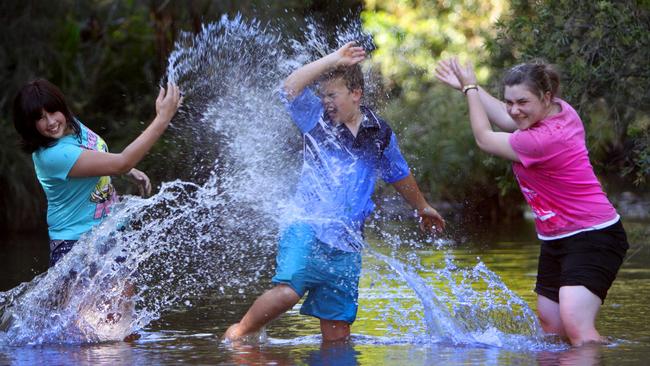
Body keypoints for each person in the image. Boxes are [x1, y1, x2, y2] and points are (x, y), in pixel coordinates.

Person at [224, 42, 445, 343]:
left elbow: (398, 172)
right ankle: (237, 336)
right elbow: (289, 88)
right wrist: (332, 59)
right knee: (288, 292)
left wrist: (422, 206)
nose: (326, 101)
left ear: (356, 94)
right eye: (323, 95)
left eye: (332, 94)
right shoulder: (315, 119)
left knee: (337, 329)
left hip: (347, 242)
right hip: (306, 226)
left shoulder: (379, 131)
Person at [435, 58, 628, 346]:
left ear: (546, 97)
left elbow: (485, 139)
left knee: (577, 326)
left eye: (522, 101)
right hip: (557, 237)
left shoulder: (543, 140)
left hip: (593, 235)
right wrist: (468, 86)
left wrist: (472, 89)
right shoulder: (562, 111)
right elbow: (508, 116)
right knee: (552, 327)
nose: (515, 110)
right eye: (509, 101)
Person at [13, 79, 181, 268]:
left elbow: (94, 154)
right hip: (77, 245)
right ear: (29, 124)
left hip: (110, 232)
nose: (51, 122)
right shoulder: (52, 155)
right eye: (40, 118)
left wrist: (125, 170)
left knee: (127, 298)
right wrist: (162, 119)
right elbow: (121, 162)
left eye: (52, 111)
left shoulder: (71, 125)